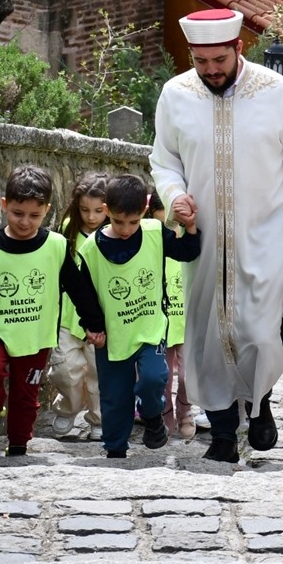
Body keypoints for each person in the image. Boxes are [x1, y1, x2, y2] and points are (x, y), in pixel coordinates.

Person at [150, 8, 283, 463]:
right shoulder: (174, 95)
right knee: (208, 334)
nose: (210, 70)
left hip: (266, 234)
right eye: (201, 61)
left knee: (257, 330)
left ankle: (260, 400)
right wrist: (173, 197)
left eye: (219, 61)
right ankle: (224, 433)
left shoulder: (276, 92)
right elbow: (164, 160)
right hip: (204, 239)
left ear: (238, 50)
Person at [0, 166, 93, 457]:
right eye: (17, 213)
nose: (25, 222)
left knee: (26, 394)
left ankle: (19, 447)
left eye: (35, 215)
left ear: (47, 210)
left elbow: (78, 288)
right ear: (4, 206)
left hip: (36, 334)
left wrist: (92, 323)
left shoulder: (56, 247)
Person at [72, 175, 201, 459]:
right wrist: (92, 327)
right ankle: (116, 451)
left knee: (154, 378)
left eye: (133, 221)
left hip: (150, 328)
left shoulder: (155, 232)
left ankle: (153, 416)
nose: (127, 229)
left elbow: (187, 252)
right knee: (115, 397)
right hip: (112, 335)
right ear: (107, 210)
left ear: (144, 208)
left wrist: (190, 227)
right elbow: (83, 293)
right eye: (119, 222)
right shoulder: (91, 249)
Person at [47, 171, 108, 441]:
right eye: (85, 210)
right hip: (68, 315)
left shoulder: (114, 233)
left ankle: (98, 417)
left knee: (99, 372)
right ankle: (68, 407)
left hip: (104, 318)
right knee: (64, 368)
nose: (91, 217)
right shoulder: (67, 229)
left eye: (98, 211)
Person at [149, 192, 195, 440]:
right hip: (161, 326)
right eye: (164, 226)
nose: (171, 233)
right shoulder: (151, 250)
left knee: (188, 376)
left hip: (187, 323)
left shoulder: (190, 250)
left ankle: (185, 412)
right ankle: (164, 416)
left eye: (176, 226)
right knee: (162, 377)